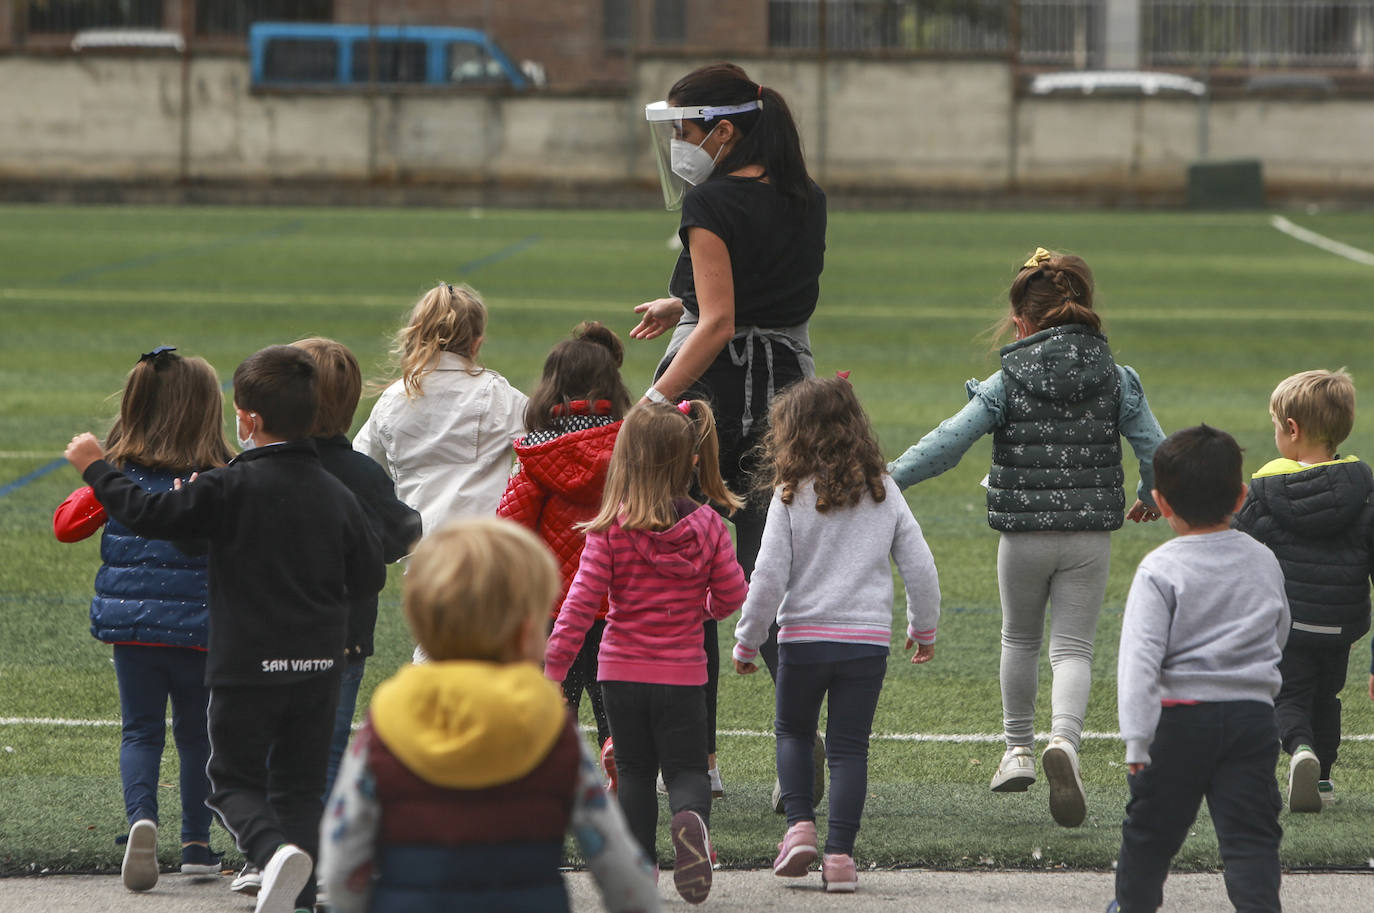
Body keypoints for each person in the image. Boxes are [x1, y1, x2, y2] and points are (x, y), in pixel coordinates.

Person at [65, 345, 386, 913]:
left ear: (250, 420)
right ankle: (302, 896)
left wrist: (96, 467)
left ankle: (270, 852)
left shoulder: (229, 486)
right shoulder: (339, 495)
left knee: (230, 783)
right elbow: (367, 576)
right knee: (301, 789)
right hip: (318, 666)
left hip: (247, 664)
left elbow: (149, 514)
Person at [888, 247, 1166, 828]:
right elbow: (1156, 452)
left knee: (1018, 639)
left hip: (1023, 535)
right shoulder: (1117, 378)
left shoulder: (1006, 378)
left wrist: (886, 479)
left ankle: (1016, 750)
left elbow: (947, 443)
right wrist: (1148, 492)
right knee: (1074, 649)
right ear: (1084, 308)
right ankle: (1064, 742)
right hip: (1089, 537)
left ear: (1021, 322)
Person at [634, 61, 828, 796]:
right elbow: (762, 291)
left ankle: (701, 762)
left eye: (684, 129)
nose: (678, 142)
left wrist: (653, 401)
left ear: (721, 130)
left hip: (714, 405)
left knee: (692, 585)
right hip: (789, 395)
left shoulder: (710, 202)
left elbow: (717, 324)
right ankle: (798, 748)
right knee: (768, 580)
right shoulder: (806, 196)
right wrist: (677, 300)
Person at [318, 518, 660, 913]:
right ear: (527, 631)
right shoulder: (546, 723)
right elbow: (615, 860)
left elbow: (344, 851)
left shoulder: (389, 719)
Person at [732, 376, 941, 893]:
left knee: (794, 732)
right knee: (850, 749)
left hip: (801, 639)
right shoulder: (884, 490)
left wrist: (748, 638)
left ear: (793, 433)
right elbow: (920, 565)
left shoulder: (789, 495)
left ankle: (799, 825)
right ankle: (842, 858)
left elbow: (767, 575)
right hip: (866, 643)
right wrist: (923, 627)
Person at [543, 401, 748, 905]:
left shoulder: (610, 528)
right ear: (691, 461)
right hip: (682, 674)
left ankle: (641, 871)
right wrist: (702, 607)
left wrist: (551, 671)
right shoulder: (709, 528)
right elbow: (732, 595)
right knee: (686, 771)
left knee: (633, 771)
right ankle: (691, 822)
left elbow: (578, 607)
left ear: (627, 459)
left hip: (619, 673)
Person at [52, 346, 233, 892]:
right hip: (203, 630)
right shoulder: (222, 476)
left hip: (132, 631)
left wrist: (101, 469)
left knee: (141, 731)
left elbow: (67, 525)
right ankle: (198, 845)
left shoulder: (119, 480)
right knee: (199, 735)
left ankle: (141, 822)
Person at [1111, 425, 1289, 913]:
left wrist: (1137, 736)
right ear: (1241, 495)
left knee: (1149, 835)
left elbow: (1140, 660)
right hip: (1252, 719)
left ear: (1161, 502)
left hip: (1178, 720)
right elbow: (1280, 630)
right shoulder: (1263, 559)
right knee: (1251, 838)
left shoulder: (1159, 568)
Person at [1232, 369, 1374, 813]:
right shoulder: (1365, 495)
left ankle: (1300, 752)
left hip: (1288, 623)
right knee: (1326, 695)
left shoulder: (1264, 494)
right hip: (1341, 624)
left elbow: (1235, 557)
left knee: (1288, 695)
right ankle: (1325, 774)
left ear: (1292, 430)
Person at [497, 322, 631, 770]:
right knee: (613, 699)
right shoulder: (632, 446)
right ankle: (618, 756)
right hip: (619, 601)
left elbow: (510, 531)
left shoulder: (536, 455)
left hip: (556, 607)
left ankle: (558, 772)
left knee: (556, 699)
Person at [354, 282, 527, 538]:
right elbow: (548, 436)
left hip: (422, 551)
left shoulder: (393, 398)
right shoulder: (495, 393)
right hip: (486, 546)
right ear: (476, 345)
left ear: (416, 337)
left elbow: (363, 463)